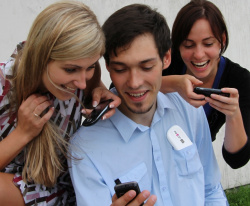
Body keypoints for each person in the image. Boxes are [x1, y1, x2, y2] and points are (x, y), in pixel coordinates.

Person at [69, 4, 228, 206]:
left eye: (146, 67)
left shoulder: (188, 110)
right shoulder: (84, 148)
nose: (134, 82)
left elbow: (211, 189)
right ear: (107, 66)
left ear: (167, 58)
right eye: (120, 69)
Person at [0, 1, 120, 205]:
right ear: (41, 58)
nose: (82, 82)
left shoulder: (84, 76)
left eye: (90, 66)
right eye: (70, 70)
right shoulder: (5, 84)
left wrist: (102, 93)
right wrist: (23, 133)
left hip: (74, 186)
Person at [161, 0, 250, 169]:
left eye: (208, 44)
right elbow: (120, 89)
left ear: (222, 41)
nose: (199, 54)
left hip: (193, 166)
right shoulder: (168, 60)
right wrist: (173, 84)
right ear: (177, 45)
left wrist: (233, 114)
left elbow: (237, 159)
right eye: (188, 45)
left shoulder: (239, 79)